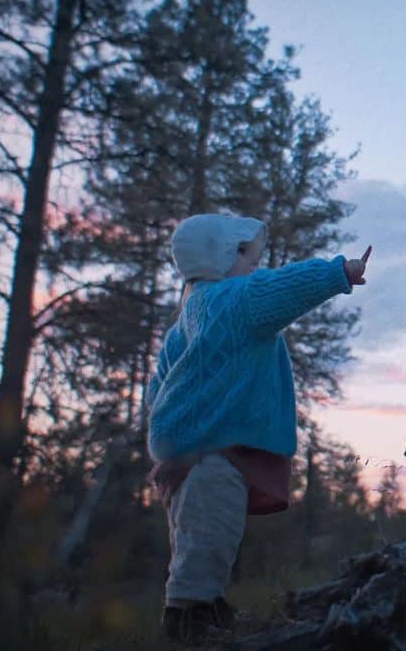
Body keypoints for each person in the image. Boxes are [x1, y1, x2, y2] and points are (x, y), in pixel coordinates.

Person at [145, 213, 371, 643]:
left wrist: (166, 429)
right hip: (215, 448)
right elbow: (285, 287)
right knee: (212, 532)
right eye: (245, 254)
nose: (256, 264)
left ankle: (202, 603)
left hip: (181, 452)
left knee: (193, 535)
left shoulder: (186, 319)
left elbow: (158, 386)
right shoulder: (236, 299)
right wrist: (337, 272)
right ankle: (190, 616)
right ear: (218, 257)